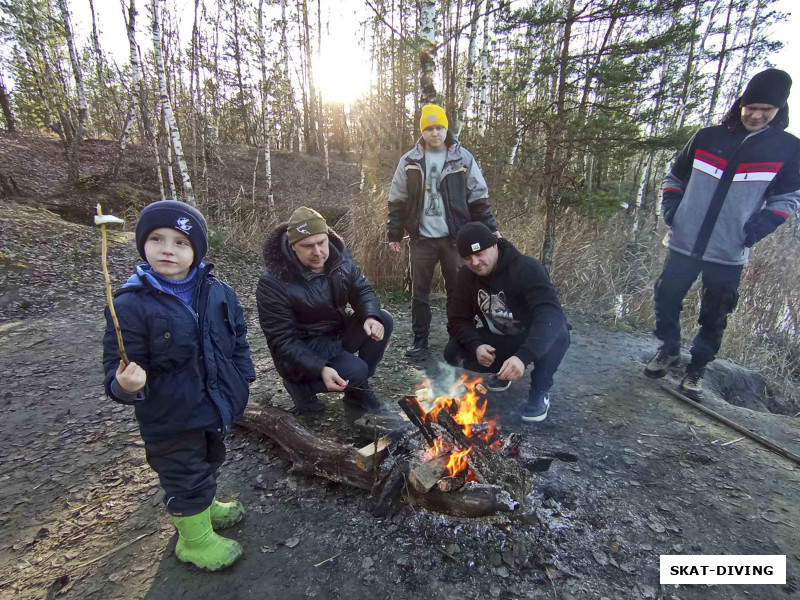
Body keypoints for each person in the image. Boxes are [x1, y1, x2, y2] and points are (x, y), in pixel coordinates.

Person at [102, 200, 256, 571]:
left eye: (181, 242)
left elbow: (238, 338)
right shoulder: (129, 304)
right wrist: (125, 385)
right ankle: (195, 541)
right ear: (142, 244)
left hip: (214, 404)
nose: (168, 249)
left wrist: (243, 375)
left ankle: (204, 509)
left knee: (209, 459)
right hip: (169, 414)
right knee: (183, 473)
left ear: (197, 251)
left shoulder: (220, 292)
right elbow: (115, 366)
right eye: (157, 238)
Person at [645, 68, 800, 400]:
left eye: (767, 110)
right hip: (684, 241)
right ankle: (669, 348)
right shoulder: (707, 136)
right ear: (742, 102)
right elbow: (674, 177)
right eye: (752, 106)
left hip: (730, 249)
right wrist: (672, 212)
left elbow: (787, 199)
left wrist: (755, 230)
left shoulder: (787, 149)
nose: (757, 115)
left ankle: (697, 368)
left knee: (715, 313)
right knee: (666, 298)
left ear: (778, 111)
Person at [388, 104, 499, 357]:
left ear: (446, 128)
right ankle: (420, 339)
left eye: (439, 127)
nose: (434, 133)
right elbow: (397, 199)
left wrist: (490, 229)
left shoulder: (462, 158)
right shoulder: (409, 161)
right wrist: (394, 233)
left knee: (457, 292)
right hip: (421, 240)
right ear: (422, 131)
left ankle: (458, 338)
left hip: (455, 240)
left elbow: (478, 197)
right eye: (429, 128)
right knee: (420, 293)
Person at [257, 207, 393, 414]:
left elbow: (362, 289)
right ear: (293, 247)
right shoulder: (273, 282)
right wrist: (319, 367)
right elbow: (282, 340)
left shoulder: (340, 260)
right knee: (356, 369)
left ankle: (357, 389)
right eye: (307, 246)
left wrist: (370, 316)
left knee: (383, 318)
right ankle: (301, 387)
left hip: (336, 332)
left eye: (321, 243)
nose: (318, 252)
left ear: (327, 237)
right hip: (305, 346)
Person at [444, 223, 570, 422]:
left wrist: (523, 356)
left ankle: (539, 391)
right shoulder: (466, 277)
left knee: (559, 332)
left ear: (494, 245)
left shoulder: (526, 268)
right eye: (468, 258)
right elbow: (457, 319)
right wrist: (476, 346)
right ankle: (503, 372)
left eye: (480, 254)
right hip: (499, 339)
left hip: (529, 339)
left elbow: (550, 314)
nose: (475, 262)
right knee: (453, 351)